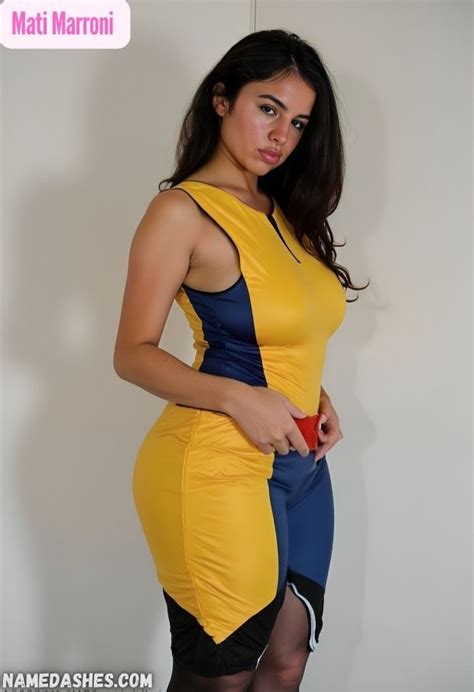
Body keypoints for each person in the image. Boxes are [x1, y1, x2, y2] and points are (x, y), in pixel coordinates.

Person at [113, 28, 368, 692]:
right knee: (222, 677)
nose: (282, 135)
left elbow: (287, 337)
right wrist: (237, 397)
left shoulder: (286, 213)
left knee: (287, 662)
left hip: (303, 466)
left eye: (299, 122)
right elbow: (131, 354)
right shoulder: (181, 212)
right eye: (268, 108)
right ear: (222, 100)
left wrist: (317, 396)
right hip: (216, 464)